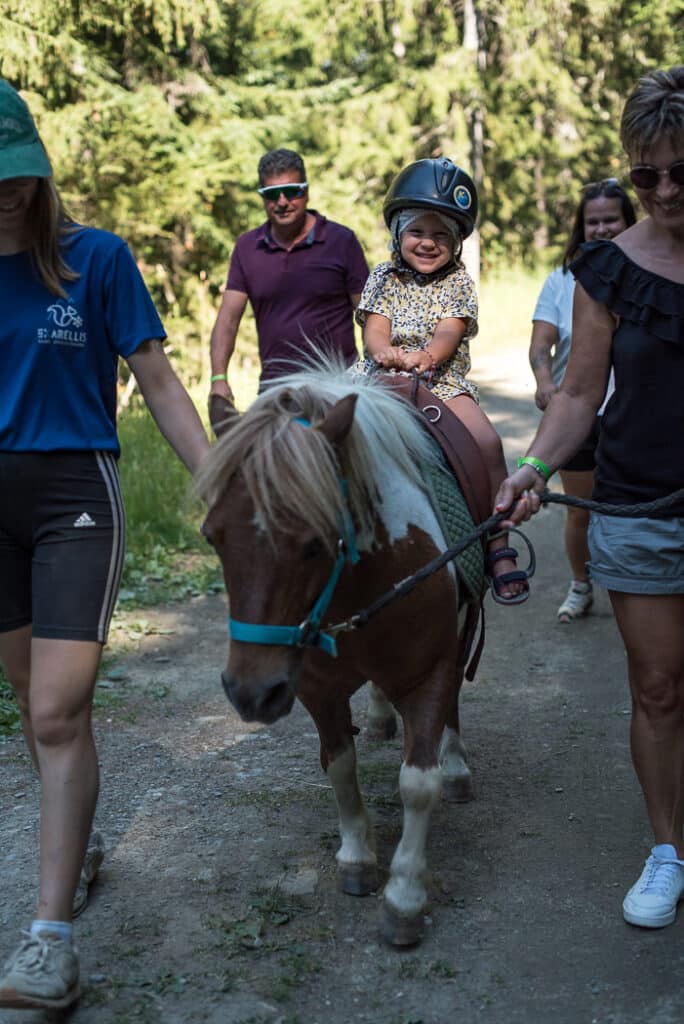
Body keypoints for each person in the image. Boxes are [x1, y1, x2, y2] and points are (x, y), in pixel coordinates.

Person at [0, 80, 210, 1009]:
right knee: (34, 706)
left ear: (42, 170)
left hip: (74, 495)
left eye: (19, 175)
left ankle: (49, 939)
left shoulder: (97, 261)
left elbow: (158, 382)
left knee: (54, 711)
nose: (8, 192)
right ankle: (71, 846)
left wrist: (215, 479)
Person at [495, 65, 684, 928]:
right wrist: (533, 470)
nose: (666, 189)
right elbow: (577, 394)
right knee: (658, 689)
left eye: (682, 168)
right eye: (647, 174)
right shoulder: (603, 270)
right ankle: (665, 849)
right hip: (640, 509)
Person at [355, 157, 529, 603]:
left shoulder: (458, 282)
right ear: (398, 234)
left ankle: (498, 544)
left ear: (455, 242)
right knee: (330, 430)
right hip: (380, 376)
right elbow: (375, 328)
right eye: (417, 232)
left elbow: (449, 332)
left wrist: (425, 357)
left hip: (441, 381)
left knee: (487, 443)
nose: (427, 243)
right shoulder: (384, 276)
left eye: (440, 235)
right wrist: (384, 353)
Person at [529, 180, 636, 622]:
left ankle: (639, 592)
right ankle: (580, 585)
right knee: (579, 510)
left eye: (611, 219)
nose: (602, 229)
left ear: (629, 221)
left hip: (633, 414)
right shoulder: (562, 280)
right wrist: (544, 382)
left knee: (634, 512)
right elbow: (541, 345)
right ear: (581, 228)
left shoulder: (652, 271)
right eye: (593, 222)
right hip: (581, 416)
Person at [209, 147, 369, 400]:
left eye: (292, 191)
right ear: (262, 197)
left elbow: (369, 315)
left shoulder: (341, 241)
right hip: (276, 391)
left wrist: (375, 373)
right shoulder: (247, 248)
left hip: (339, 388)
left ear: (306, 191)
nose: (282, 201)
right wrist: (218, 378)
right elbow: (228, 320)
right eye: (272, 194)